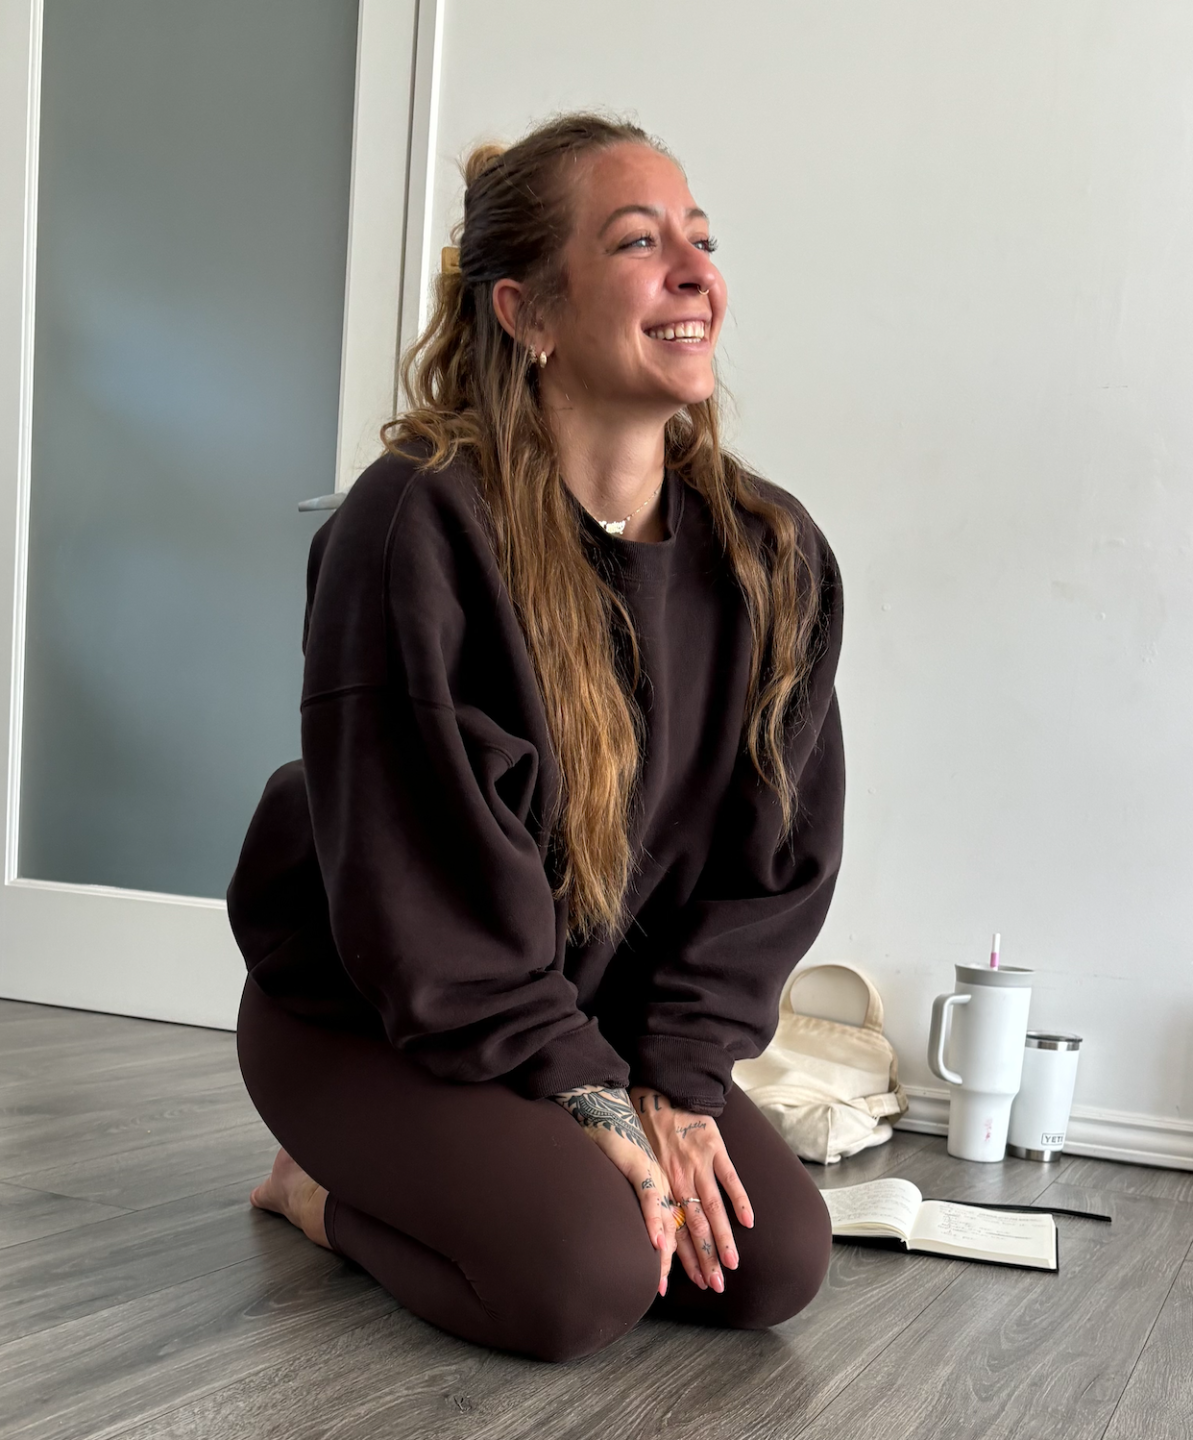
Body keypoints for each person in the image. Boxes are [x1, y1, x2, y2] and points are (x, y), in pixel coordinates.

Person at [229, 112, 845, 1365]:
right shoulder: (412, 529)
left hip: (586, 1022)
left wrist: (672, 1078)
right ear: (526, 313)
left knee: (767, 1267)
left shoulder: (772, 555)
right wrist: (586, 1095)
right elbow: (423, 902)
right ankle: (316, 1193)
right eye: (637, 241)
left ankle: (537, 1155)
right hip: (376, 1010)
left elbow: (771, 866)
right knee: (578, 1281)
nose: (692, 271)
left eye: (700, 239)